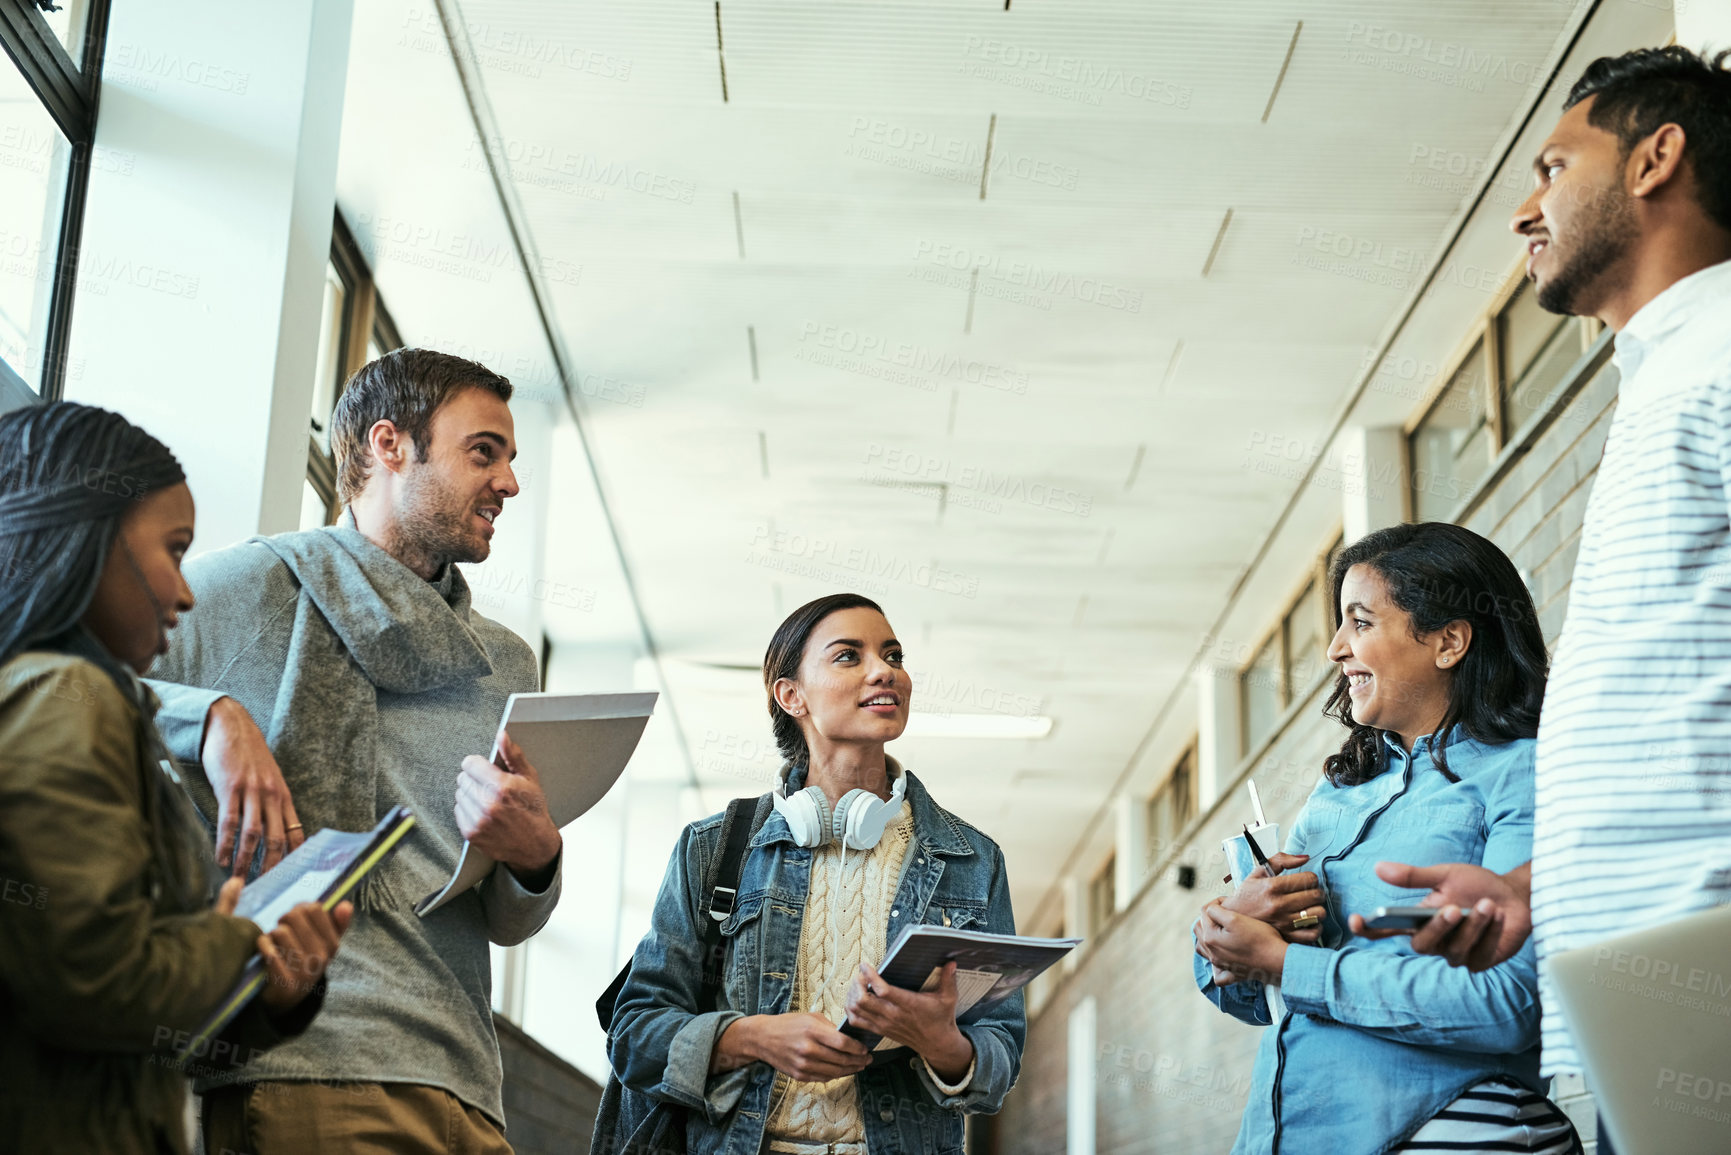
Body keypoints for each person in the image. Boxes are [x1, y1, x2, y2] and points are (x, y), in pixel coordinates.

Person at [1356, 46, 1731, 1139]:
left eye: (1554, 167)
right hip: (1649, 998)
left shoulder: (1719, 363)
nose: (1528, 208)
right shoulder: (1667, 379)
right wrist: (1531, 888)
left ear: (1656, 158)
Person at [146, 349, 564, 1153]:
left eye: (511, 460)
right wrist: (208, 718)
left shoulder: (507, 664)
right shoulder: (250, 588)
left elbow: (508, 920)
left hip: (467, 1077)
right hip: (301, 1058)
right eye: (485, 452)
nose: (509, 482)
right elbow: (60, 681)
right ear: (388, 444)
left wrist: (537, 855)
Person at [0, 402, 350, 1155]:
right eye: (174, 549)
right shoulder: (70, 697)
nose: (186, 594)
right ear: (87, 539)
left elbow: (131, 1023)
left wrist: (269, 987)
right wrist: (232, 939)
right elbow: (91, 980)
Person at [1194, 523, 1579, 1153]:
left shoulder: (1525, 773)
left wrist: (1289, 964)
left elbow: (1505, 1005)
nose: (1335, 649)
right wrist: (1227, 933)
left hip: (1451, 1130)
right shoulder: (1338, 795)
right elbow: (1262, 1001)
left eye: (1361, 622)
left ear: (1449, 641)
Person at [604, 593, 1024, 1155]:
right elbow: (635, 1037)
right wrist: (749, 1038)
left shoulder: (971, 859)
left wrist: (942, 1043)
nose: (885, 671)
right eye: (849, 656)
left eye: (893, 655)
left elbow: (1001, 1053)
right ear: (791, 694)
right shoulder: (714, 849)